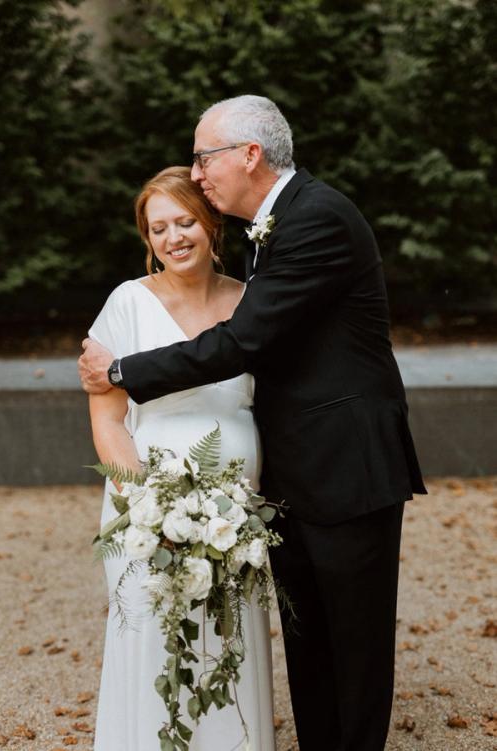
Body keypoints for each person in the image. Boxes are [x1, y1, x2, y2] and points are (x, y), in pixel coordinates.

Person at [79, 95, 427, 751]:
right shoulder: (271, 228)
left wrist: (124, 371)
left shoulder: (317, 218)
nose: (198, 172)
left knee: (353, 652)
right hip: (291, 484)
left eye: (203, 157)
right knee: (311, 645)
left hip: (348, 469)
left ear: (249, 155)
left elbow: (243, 340)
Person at [87, 166, 275, 751]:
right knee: (150, 644)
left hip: (236, 518)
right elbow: (108, 420)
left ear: (211, 223)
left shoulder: (251, 302)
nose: (174, 237)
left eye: (185, 221)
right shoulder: (127, 303)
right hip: (146, 514)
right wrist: (147, 508)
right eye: (159, 227)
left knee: (230, 645)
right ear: (148, 239)